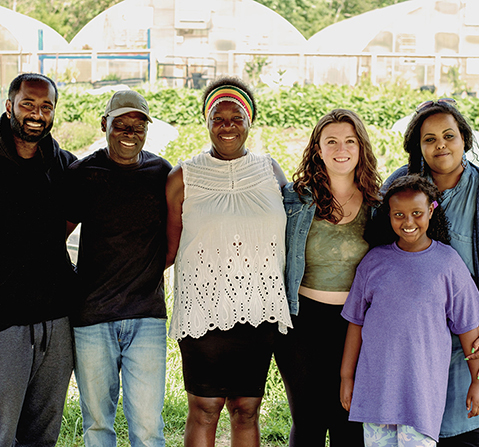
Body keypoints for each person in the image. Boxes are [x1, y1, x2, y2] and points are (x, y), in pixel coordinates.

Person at [165, 76, 293, 447]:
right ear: (206, 122)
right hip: (203, 309)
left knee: (246, 409)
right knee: (205, 408)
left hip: (259, 308)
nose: (227, 126)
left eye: (236, 117)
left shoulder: (271, 172)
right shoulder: (183, 177)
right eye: (217, 118)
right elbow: (169, 248)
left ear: (249, 121)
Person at [64, 90, 172, 447]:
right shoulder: (83, 173)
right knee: (97, 425)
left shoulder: (161, 173)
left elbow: (177, 236)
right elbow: (54, 238)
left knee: (147, 427)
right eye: (120, 124)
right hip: (92, 318)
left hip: (147, 318)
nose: (130, 132)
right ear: (104, 124)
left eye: (138, 126)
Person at [340, 174, 479, 447]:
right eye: (399, 214)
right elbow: (355, 323)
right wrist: (346, 376)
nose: (408, 222)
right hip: (376, 392)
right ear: (389, 215)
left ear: (431, 210)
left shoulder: (448, 264)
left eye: (417, 213)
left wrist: (477, 380)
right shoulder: (374, 262)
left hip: (422, 396)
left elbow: (469, 329)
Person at [274, 108, 382, 446]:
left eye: (350, 141)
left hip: (356, 325)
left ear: (360, 148)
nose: (341, 149)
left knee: (348, 423)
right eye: (331, 141)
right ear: (318, 149)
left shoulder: (378, 204)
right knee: (307, 421)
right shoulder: (294, 199)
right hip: (302, 321)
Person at [384, 98, 479, 446]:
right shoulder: (400, 186)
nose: (440, 145)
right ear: (417, 146)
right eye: (429, 138)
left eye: (449, 136)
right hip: (413, 334)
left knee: (465, 427)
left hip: (470, 334)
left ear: (464, 141)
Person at [0, 73, 77, 446]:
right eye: (28, 104)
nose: (36, 113)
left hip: (56, 319)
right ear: (10, 105)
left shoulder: (63, 164)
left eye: (45, 107)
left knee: (44, 433)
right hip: (4, 323)